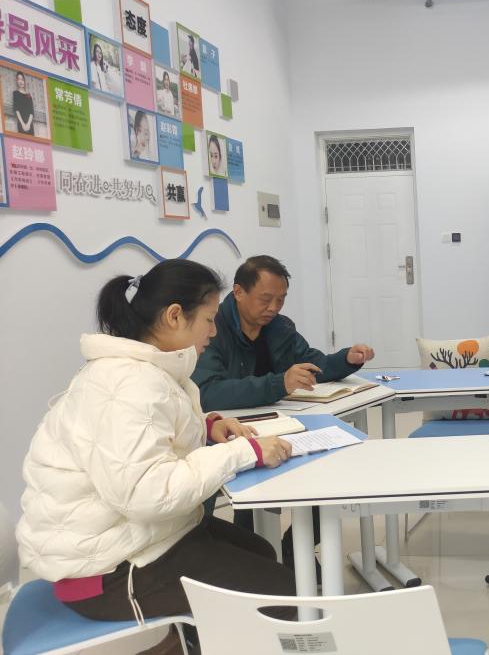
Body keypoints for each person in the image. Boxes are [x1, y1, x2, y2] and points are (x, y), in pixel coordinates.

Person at [16, 260, 297, 654]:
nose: (214, 332)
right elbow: (146, 493)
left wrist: (208, 427)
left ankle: (190, 641)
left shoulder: (147, 369)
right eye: (209, 320)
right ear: (174, 316)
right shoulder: (128, 384)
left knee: (261, 552)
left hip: (130, 539)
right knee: (280, 590)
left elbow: (153, 435)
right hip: (106, 570)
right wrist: (242, 452)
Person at [192, 255, 375, 569]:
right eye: (266, 299)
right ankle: (254, 561)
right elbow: (207, 392)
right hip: (229, 431)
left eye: (281, 299)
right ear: (238, 292)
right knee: (251, 493)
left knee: (324, 467)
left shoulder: (279, 327)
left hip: (280, 423)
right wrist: (280, 383)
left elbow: (312, 363)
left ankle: (294, 549)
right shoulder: (212, 329)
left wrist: (347, 359)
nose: (274, 307)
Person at [12, 71, 35, 136]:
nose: (21, 81)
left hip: (30, 125)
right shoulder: (15, 93)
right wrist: (23, 124)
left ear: (24, 81)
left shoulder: (28, 95)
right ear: (17, 81)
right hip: (21, 123)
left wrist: (28, 124)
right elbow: (16, 110)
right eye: (19, 79)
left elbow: (31, 112)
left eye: (22, 79)